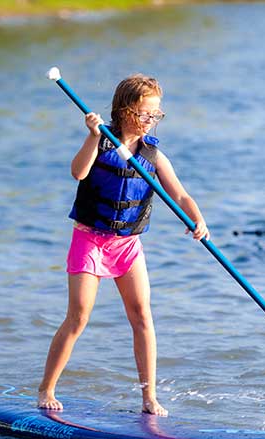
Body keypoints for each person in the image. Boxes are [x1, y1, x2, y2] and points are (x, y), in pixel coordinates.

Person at [38, 74, 210, 416]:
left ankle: (149, 397)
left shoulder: (153, 155)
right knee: (79, 316)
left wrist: (198, 219)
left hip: (128, 245)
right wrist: (91, 135)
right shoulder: (101, 140)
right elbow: (78, 172)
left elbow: (180, 194)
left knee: (143, 316)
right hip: (89, 239)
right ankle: (46, 389)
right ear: (125, 110)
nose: (151, 120)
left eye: (156, 115)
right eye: (146, 113)